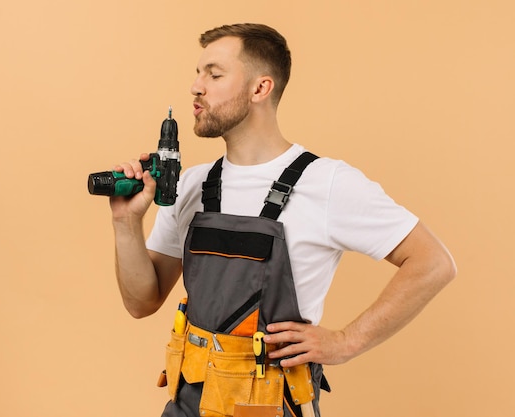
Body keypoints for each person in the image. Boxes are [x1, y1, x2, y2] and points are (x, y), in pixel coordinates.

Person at [108, 23, 456, 417]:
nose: (196, 87)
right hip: (189, 403)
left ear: (260, 89)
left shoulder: (326, 183)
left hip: (270, 405)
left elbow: (433, 263)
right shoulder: (192, 184)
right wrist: (126, 223)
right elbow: (141, 302)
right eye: (197, 73)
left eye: (214, 74)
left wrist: (346, 341)